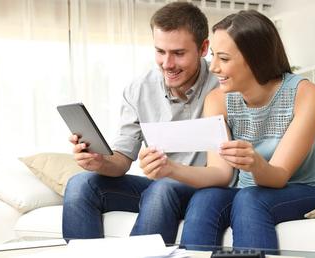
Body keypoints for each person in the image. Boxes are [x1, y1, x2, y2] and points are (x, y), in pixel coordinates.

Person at [62, 2, 224, 244]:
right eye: (160, 51)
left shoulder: (223, 83)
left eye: (178, 53)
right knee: (80, 183)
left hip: (205, 189)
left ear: (203, 48)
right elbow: (121, 162)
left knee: (162, 187)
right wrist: (99, 161)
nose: (167, 64)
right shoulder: (139, 89)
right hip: (160, 190)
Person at [172, 10, 315, 250]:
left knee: (250, 199)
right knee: (205, 199)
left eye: (224, 59)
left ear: (256, 58)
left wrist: (255, 164)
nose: (213, 67)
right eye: (214, 56)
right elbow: (220, 172)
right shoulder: (217, 99)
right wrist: (170, 169)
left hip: (305, 188)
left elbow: (278, 176)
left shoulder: (306, 94)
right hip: (247, 189)